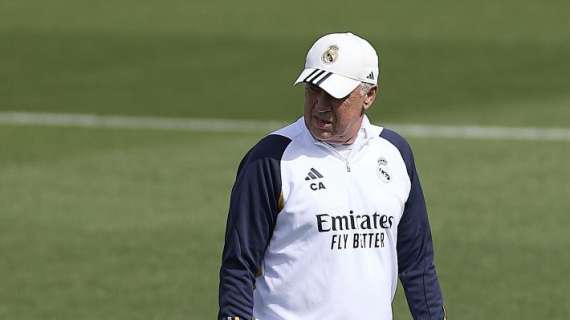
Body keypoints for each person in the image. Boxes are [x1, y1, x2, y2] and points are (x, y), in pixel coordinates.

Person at [218, 32, 446, 320]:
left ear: (369, 96)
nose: (320, 106)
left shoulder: (395, 153)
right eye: (313, 90)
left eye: (334, 95)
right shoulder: (270, 159)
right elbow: (239, 265)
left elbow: (417, 262)